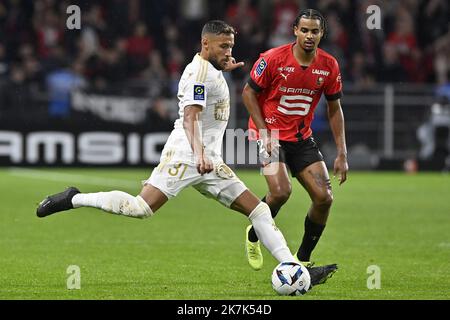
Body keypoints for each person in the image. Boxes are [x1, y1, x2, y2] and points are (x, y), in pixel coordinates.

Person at [36, 20, 334, 288]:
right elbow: (191, 117)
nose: (229, 51)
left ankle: (293, 267)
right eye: (223, 46)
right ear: (206, 44)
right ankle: (74, 198)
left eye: (231, 45)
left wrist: (223, 71)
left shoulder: (212, 69)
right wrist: (200, 153)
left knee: (259, 211)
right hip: (187, 155)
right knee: (141, 208)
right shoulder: (198, 73)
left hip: (208, 159)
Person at [242, 9, 347, 280]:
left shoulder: (329, 65)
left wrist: (342, 153)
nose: (309, 36)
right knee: (280, 191)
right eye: (305, 30)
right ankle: (254, 232)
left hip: (301, 138)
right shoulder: (273, 59)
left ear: (322, 34)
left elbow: (335, 108)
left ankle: (301, 262)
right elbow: (248, 93)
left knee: (324, 198)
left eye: (315, 31)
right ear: (295, 31)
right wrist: (263, 132)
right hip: (269, 135)